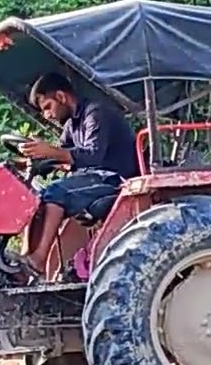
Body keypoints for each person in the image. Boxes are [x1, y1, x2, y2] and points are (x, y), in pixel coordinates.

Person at [14, 71, 140, 277]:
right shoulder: (72, 125)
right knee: (37, 197)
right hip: (91, 178)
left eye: (48, 107)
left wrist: (49, 151)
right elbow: (60, 156)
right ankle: (26, 257)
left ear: (61, 97)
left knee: (56, 192)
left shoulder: (96, 114)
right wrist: (31, 160)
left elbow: (92, 157)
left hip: (113, 178)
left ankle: (38, 260)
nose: (47, 115)